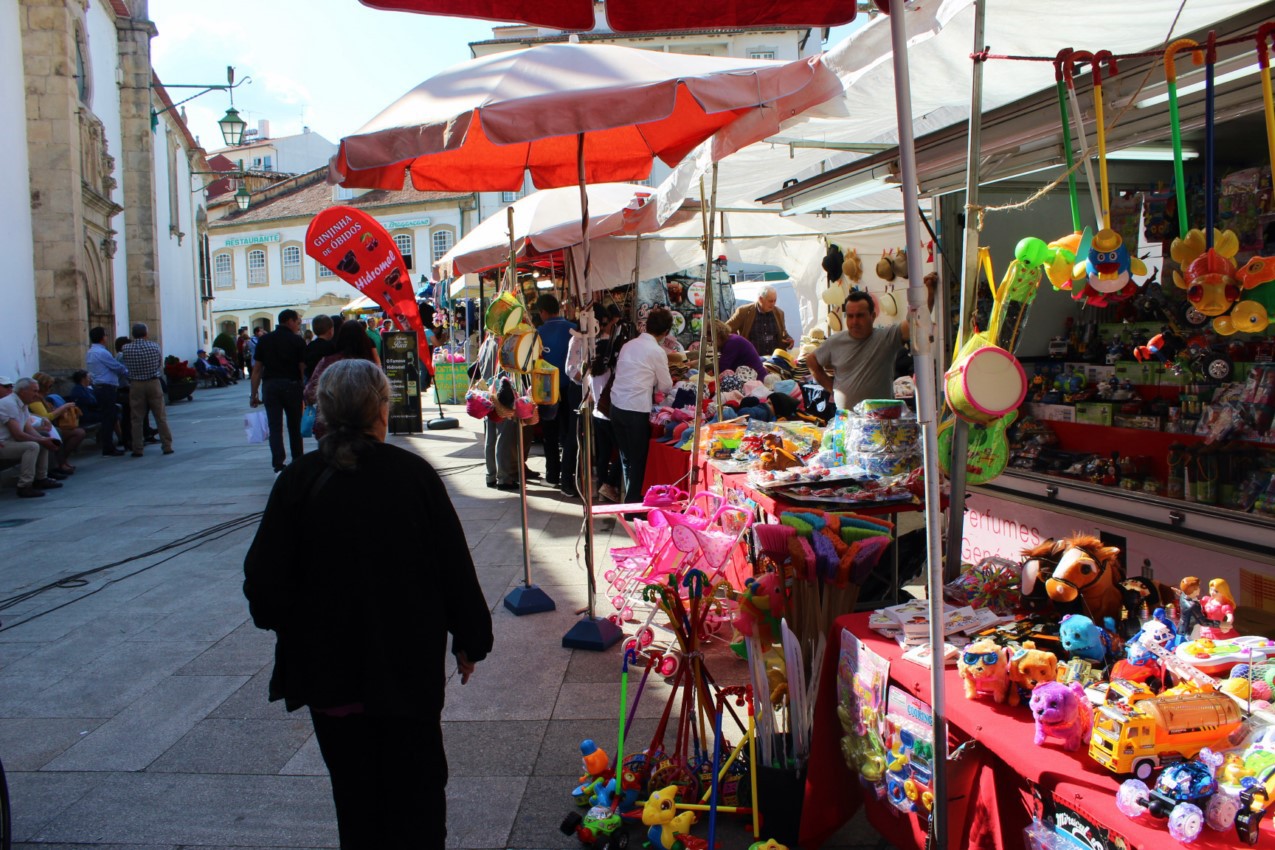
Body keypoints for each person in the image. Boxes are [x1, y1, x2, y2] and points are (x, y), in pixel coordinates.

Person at [243, 358, 492, 850]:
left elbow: (263, 588)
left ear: (325, 412)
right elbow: (453, 568)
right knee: (418, 795)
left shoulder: (299, 479)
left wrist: (299, 621)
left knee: (356, 799)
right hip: (406, 675)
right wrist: (471, 640)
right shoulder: (412, 475)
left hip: (332, 678)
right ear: (382, 408)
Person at [609, 307, 674, 504]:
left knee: (627, 457)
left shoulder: (629, 345)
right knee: (637, 460)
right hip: (634, 409)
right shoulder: (656, 351)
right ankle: (632, 505)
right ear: (665, 333)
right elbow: (666, 385)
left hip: (616, 406)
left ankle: (630, 498)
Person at [806, 290, 910, 412]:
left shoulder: (886, 338)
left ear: (872, 316)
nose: (854, 322)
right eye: (850, 316)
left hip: (878, 421)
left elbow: (913, 324)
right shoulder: (835, 342)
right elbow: (811, 360)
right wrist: (831, 387)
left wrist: (927, 295)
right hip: (846, 420)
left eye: (860, 315)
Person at [534, 293, 579, 497]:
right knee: (570, 433)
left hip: (546, 390)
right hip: (570, 387)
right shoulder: (574, 329)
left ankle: (553, 473)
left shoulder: (538, 333)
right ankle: (569, 475)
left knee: (550, 433)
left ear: (543, 312)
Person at [251, 309, 306, 473]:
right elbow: (302, 367)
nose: (298, 326)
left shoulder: (265, 340)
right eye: (297, 322)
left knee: (275, 426)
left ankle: (278, 463)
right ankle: (297, 459)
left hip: (270, 386)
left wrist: (253, 393)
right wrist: (305, 389)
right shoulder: (297, 341)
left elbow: (257, 369)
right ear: (289, 321)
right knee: (295, 425)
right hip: (292, 385)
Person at [305, 320, 381, 440]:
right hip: (364, 422)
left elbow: (309, 392)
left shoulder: (328, 362)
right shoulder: (370, 367)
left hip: (331, 424)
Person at [0, 377, 63, 498]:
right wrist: (41, 440)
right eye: (34, 391)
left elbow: (28, 427)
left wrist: (44, 440)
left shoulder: (21, 403)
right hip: (3, 443)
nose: (37, 394)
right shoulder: (9, 404)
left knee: (41, 441)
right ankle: (24, 485)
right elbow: (17, 434)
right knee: (32, 446)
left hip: (10, 442)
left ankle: (41, 478)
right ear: (23, 391)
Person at [119, 323, 174, 457]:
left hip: (136, 383)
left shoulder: (126, 348)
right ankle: (167, 446)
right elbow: (158, 363)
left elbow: (125, 364)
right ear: (146, 334)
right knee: (160, 416)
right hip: (153, 382)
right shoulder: (154, 346)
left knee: (136, 418)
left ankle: (137, 448)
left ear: (133, 334)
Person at [29, 372, 85, 475]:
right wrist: (63, 408)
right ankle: (61, 462)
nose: (51, 388)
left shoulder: (42, 397)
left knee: (76, 432)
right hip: (42, 427)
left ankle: (62, 461)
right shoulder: (36, 398)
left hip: (49, 426)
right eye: (49, 386)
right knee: (77, 433)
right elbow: (46, 417)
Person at [85, 326, 128, 456]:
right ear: (102, 337)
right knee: (108, 418)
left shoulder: (91, 352)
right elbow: (116, 367)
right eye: (105, 335)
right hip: (106, 388)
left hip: (100, 387)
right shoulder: (102, 353)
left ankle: (111, 444)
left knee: (110, 416)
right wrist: (129, 372)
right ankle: (108, 447)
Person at [727, 285, 794, 354]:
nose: (773, 304)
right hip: (751, 359)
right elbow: (725, 329)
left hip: (773, 361)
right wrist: (737, 343)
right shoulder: (744, 312)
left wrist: (789, 339)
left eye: (775, 300)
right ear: (760, 299)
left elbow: (783, 333)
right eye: (770, 301)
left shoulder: (779, 313)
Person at [304, 314, 336, 382]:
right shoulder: (331, 346)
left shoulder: (310, 346)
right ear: (331, 330)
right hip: (328, 381)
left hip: (312, 380)